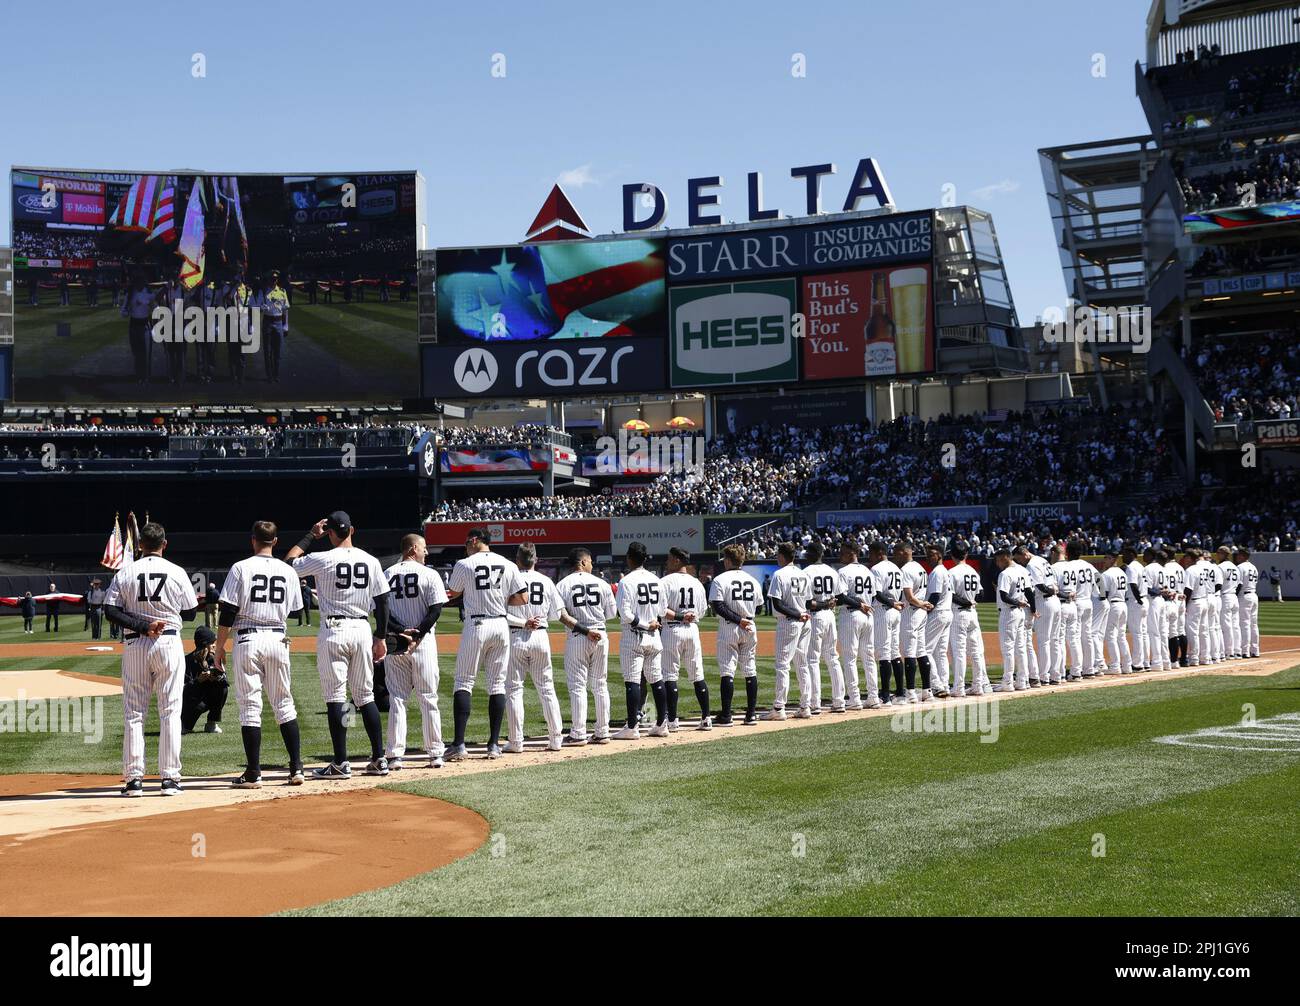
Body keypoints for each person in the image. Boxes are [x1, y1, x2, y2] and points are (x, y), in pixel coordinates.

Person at [286, 511, 391, 778]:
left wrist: (311, 535)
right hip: (361, 628)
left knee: (336, 697)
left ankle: (341, 762)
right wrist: (381, 635)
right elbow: (382, 602)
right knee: (365, 696)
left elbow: (288, 564)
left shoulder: (322, 558)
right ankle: (379, 758)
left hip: (334, 630)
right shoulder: (370, 560)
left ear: (330, 533)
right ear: (352, 531)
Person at [102, 521, 199, 796]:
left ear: (140, 545)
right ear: (164, 545)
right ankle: (170, 779)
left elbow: (110, 610)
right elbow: (191, 613)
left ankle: (134, 780)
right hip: (168, 641)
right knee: (170, 710)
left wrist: (143, 624)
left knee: (134, 713)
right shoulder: (177, 571)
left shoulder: (126, 571)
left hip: (136, 642)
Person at [216, 521, 305, 786]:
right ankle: (296, 768)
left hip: (248, 638)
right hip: (278, 637)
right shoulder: (286, 571)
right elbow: (296, 610)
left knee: (250, 707)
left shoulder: (241, 568)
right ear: (275, 541)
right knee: (284, 703)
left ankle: (254, 772)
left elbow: (229, 611)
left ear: (253, 539)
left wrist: (220, 647)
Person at [444, 527, 527, 760]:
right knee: (497, 685)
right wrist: (500, 598)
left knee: (464, 681)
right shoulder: (508, 564)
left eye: (466, 542)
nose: (465, 546)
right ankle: (493, 745)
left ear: (474, 540)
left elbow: (453, 592)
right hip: (501, 625)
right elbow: (523, 597)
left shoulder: (465, 563)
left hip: (477, 624)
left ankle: (459, 745)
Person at [382, 533, 449, 768]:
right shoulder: (430, 574)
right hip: (423, 643)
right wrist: (417, 633)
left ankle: (395, 755)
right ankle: (435, 752)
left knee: (397, 699)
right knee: (428, 697)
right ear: (412, 549)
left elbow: (382, 613)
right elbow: (436, 609)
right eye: (424, 548)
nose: (426, 552)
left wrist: (402, 632)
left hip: (396, 642)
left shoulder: (387, 574)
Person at [502, 543, 565, 752]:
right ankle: (556, 739)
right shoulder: (546, 581)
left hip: (516, 635)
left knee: (514, 690)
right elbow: (557, 614)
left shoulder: (510, 579)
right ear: (536, 559)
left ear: (517, 560)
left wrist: (523, 621)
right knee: (547, 688)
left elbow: (502, 613)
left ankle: (516, 741)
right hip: (540, 636)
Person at [555, 547, 617, 745]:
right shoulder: (602, 583)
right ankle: (603, 731)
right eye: (590, 561)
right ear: (582, 562)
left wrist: (583, 628)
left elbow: (561, 616)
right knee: (600, 685)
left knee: (578, 687)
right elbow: (611, 614)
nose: (592, 565)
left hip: (577, 636)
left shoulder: (563, 585)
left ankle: (579, 732)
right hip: (600, 634)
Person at [614, 542, 669, 739]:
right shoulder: (657, 580)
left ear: (630, 558)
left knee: (632, 681)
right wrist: (651, 623)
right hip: (654, 636)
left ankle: (632, 727)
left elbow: (626, 615)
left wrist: (645, 624)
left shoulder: (626, 581)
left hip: (635, 636)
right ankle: (662, 723)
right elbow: (663, 611)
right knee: (656, 680)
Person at [709, 544, 763, 725]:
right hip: (750, 625)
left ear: (728, 560)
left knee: (727, 670)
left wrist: (738, 620)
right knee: (750, 669)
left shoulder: (720, 579)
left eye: (725, 558)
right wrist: (744, 618)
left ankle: (726, 715)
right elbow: (760, 607)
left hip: (730, 626)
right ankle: (751, 714)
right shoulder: (753, 580)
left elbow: (718, 606)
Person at [658, 546, 711, 730]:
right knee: (697, 674)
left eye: (669, 558)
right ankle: (706, 718)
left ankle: (672, 721)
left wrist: (679, 616)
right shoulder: (696, 582)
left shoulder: (665, 581)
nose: (667, 561)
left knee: (669, 675)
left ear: (677, 560)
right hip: (692, 630)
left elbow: (660, 610)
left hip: (672, 630)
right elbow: (702, 611)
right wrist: (688, 616)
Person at [766, 541, 814, 719]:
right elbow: (808, 603)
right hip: (805, 621)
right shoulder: (803, 574)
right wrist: (801, 613)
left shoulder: (779, 574)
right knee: (802, 664)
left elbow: (777, 603)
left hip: (789, 622)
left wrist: (795, 614)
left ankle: (779, 709)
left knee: (782, 665)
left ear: (781, 555)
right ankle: (805, 706)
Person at [803, 540, 846, 711]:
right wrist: (829, 603)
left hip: (815, 616)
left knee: (812, 659)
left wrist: (821, 604)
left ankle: (815, 703)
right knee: (832, 657)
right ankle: (839, 702)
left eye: (807, 552)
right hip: (830, 616)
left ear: (811, 554)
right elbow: (838, 597)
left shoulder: (806, 572)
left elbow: (807, 602)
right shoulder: (832, 571)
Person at [834, 541, 874, 708]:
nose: (840, 555)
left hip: (852, 615)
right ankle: (873, 696)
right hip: (868, 615)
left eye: (843, 552)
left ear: (852, 553)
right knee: (869, 658)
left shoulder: (843, 571)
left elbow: (841, 597)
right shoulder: (868, 571)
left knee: (850, 658)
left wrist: (858, 605)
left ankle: (855, 698)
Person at [948, 545, 989, 696]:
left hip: (959, 615)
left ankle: (958, 687)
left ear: (952, 556)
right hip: (973, 615)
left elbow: (951, 596)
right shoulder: (973, 571)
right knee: (976, 651)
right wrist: (971, 601)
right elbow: (981, 595)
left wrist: (966, 602)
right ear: (965, 555)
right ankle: (978, 685)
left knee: (959, 652)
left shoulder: (951, 573)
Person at [869, 542, 906, 704]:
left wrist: (891, 604)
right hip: (895, 611)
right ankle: (900, 693)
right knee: (894, 651)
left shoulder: (877, 569)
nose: (869, 557)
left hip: (884, 611)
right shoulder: (896, 568)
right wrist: (895, 604)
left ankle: (885, 695)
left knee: (884, 652)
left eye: (871, 554)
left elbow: (877, 594)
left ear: (879, 553)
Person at [994, 549, 1031, 692]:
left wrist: (1017, 602)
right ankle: (1022, 681)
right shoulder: (1020, 571)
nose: (997, 563)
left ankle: (1008, 682)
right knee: (1020, 648)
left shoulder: (1005, 574)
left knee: (1008, 648)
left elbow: (1004, 596)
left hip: (1009, 613)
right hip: (1020, 613)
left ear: (1004, 558)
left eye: (998, 560)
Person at [181, 626, 229, 734]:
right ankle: (185, 724)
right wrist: (197, 681)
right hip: (191, 702)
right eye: (212, 642)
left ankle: (211, 723)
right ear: (204, 644)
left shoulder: (214, 659)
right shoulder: (186, 661)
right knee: (185, 729)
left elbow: (225, 681)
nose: (214, 645)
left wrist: (218, 678)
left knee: (223, 688)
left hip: (206, 698)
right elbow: (180, 691)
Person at [923, 544, 955, 700]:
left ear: (940, 556)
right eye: (928, 555)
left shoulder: (936, 572)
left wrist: (925, 610)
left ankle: (936, 685)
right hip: (948, 612)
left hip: (938, 613)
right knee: (940, 652)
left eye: (933, 555)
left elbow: (934, 596)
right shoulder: (946, 572)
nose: (929, 558)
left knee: (924, 649)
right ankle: (944, 684)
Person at [1234, 549, 1260, 657]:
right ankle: (1255, 650)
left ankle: (1245, 651)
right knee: (1253, 624)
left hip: (1244, 596)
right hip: (1253, 595)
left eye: (1238, 555)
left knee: (1244, 624)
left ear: (1243, 556)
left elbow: (1239, 585)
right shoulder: (1253, 567)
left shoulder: (1240, 567)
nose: (1236, 557)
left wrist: (1234, 595)